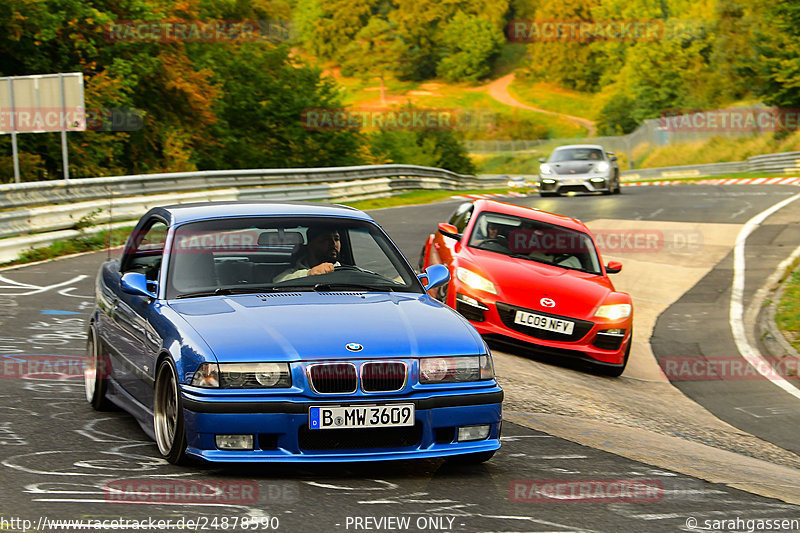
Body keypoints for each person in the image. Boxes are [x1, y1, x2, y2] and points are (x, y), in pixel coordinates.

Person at [273, 226, 341, 282]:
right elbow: (277, 282)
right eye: (326, 239)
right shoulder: (294, 273)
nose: (333, 243)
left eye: (336, 239)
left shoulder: (345, 271)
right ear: (311, 245)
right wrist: (309, 274)